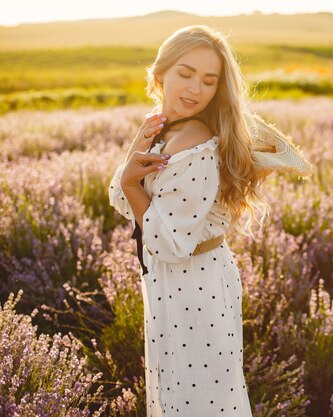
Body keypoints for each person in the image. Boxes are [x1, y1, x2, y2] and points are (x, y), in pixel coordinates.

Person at [108, 25, 314, 416]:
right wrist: (133, 163)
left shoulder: (195, 142)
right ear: (160, 73)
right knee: (177, 396)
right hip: (170, 280)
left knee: (199, 401)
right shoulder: (161, 127)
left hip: (194, 282)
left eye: (208, 80)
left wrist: (131, 183)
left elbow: (170, 243)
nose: (194, 89)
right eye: (185, 73)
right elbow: (119, 197)